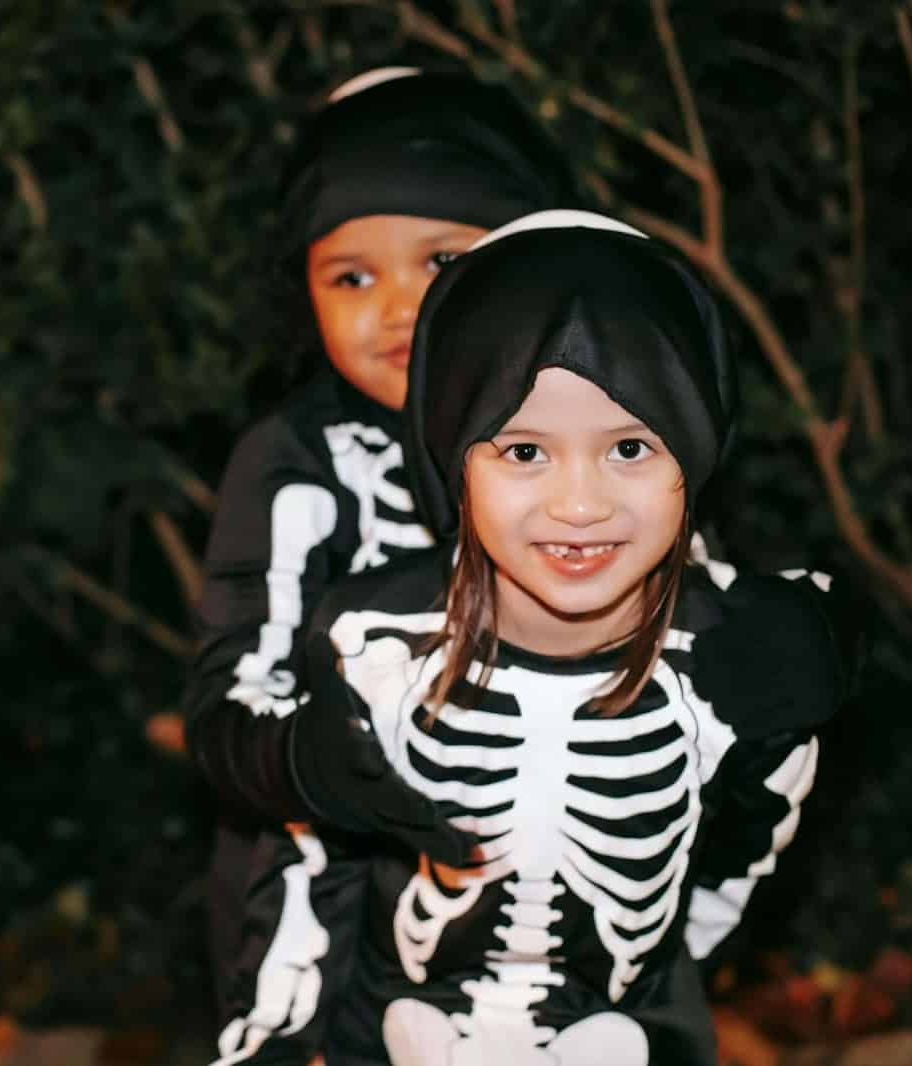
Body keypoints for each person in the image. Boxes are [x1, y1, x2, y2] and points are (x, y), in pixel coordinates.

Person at [212, 213, 846, 1064]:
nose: (579, 505)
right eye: (522, 451)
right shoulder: (372, 641)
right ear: (452, 463)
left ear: (692, 460)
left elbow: (738, 862)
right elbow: (314, 868)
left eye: (629, 448)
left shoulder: (748, 660)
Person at [182, 67, 575, 1024]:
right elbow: (226, 698)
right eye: (351, 276)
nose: (398, 306)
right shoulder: (294, 462)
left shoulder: (598, 439)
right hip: (324, 906)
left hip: (552, 923)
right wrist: (312, 763)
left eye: (441, 262)